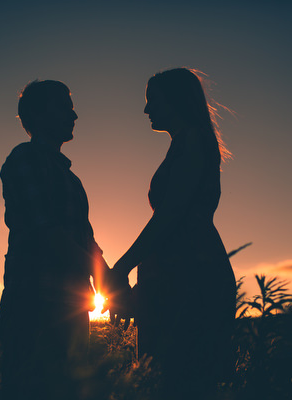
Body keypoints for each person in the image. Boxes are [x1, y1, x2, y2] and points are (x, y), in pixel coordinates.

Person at [108, 68, 237, 398]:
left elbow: (171, 215)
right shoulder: (185, 143)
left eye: (152, 100)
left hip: (190, 272)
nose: (146, 109)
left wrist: (121, 267)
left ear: (176, 100)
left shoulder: (192, 141)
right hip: (177, 272)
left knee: (181, 378)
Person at [0, 80, 110, 399]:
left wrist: (109, 277)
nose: (73, 115)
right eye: (63, 106)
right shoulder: (24, 160)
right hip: (34, 303)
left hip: (71, 309)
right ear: (36, 114)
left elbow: (87, 240)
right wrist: (107, 278)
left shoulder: (71, 179)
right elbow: (46, 233)